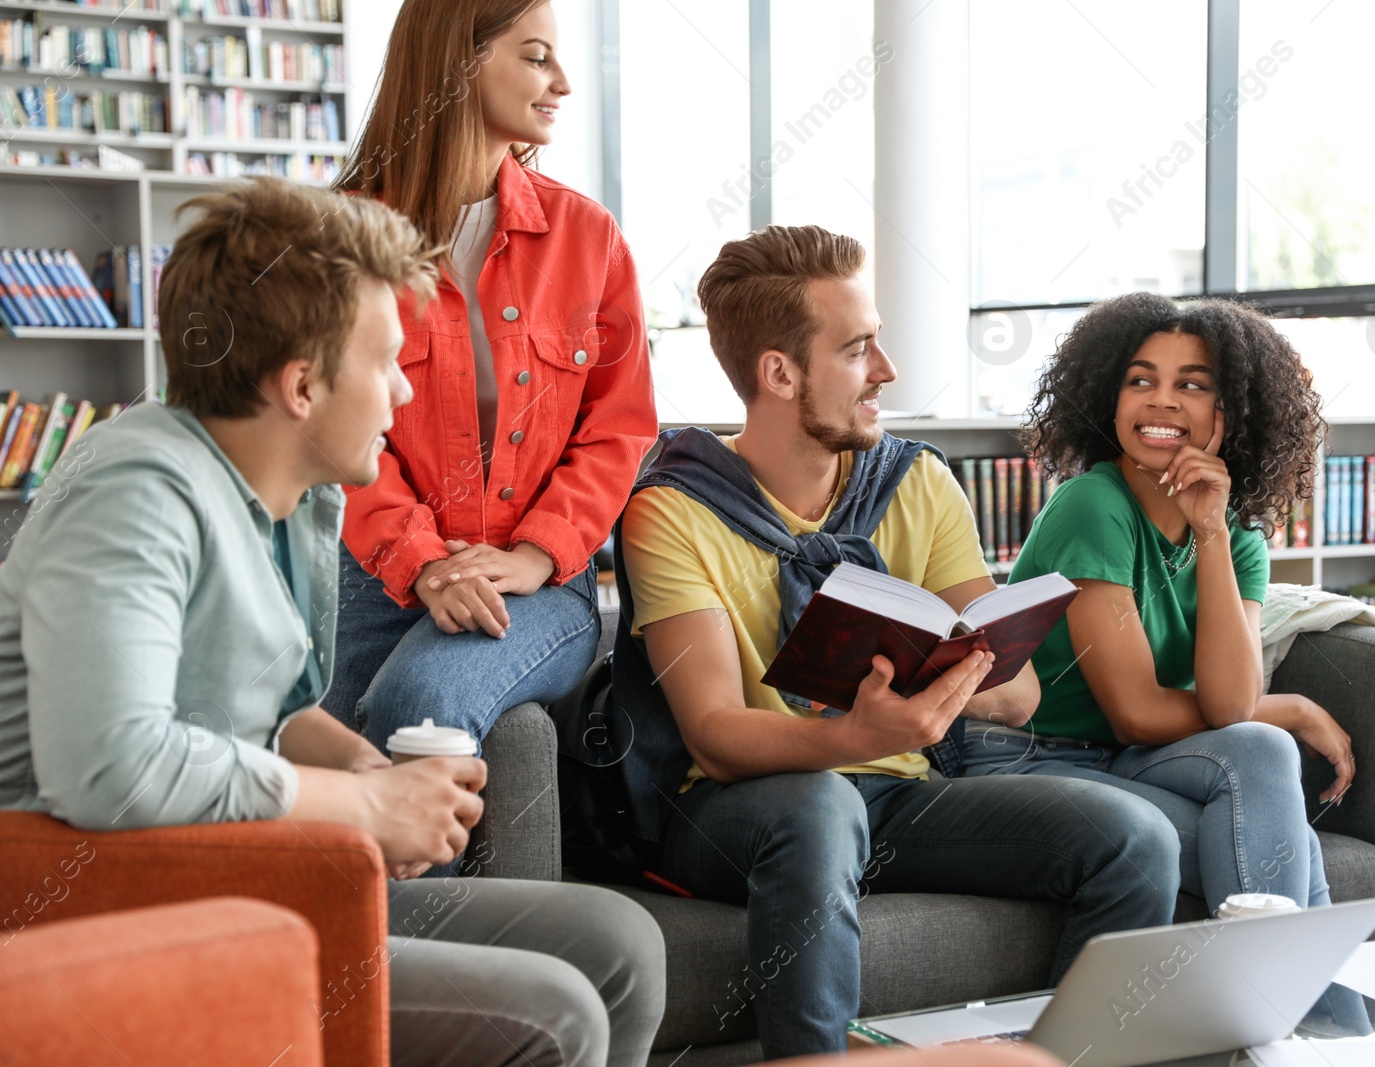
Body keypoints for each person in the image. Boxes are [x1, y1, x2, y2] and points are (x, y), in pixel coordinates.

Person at [0, 178, 664, 1067]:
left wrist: (357, 760)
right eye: (388, 361)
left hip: (234, 866)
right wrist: (367, 803)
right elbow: (112, 769)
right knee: (554, 1013)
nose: (402, 393)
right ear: (302, 384)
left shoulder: (297, 501)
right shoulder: (138, 493)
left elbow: (256, 707)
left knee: (622, 946)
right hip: (114, 903)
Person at [613, 225, 1181, 1059]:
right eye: (858, 349)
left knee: (1136, 838)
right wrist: (849, 735)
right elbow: (715, 732)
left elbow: (1018, 693)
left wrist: (936, 674)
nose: (888, 370)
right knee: (822, 801)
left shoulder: (916, 482)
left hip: (903, 790)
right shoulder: (671, 508)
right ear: (780, 373)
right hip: (742, 807)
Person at [325, 0, 655, 773]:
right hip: (378, 572)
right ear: (458, 63)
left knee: (418, 705)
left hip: (541, 579)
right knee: (317, 756)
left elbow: (621, 429)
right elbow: (327, 433)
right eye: (536, 57)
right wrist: (424, 561)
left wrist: (540, 552)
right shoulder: (340, 237)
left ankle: (431, 904)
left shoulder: (589, 237)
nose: (564, 83)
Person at [960, 291, 1350, 919]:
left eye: (1192, 385)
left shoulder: (1236, 535)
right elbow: (1137, 714)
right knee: (1284, 833)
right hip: (1028, 755)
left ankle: (1297, 1018)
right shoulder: (1093, 506)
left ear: (1233, 411)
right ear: (1107, 399)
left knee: (1266, 760)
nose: (1161, 400)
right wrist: (1295, 710)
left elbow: (1230, 707)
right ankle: (1282, 1016)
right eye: (1140, 380)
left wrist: (1212, 533)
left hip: (1130, 761)